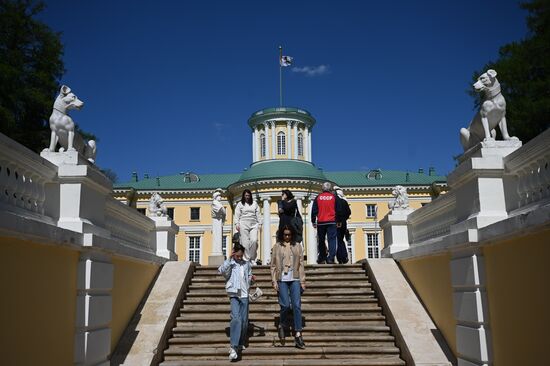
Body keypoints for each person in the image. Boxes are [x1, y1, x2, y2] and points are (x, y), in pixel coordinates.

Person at [218, 243, 255, 361]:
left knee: (244, 322)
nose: (239, 258)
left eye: (240, 256)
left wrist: (252, 280)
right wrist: (229, 258)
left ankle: (240, 342)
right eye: (237, 256)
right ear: (234, 253)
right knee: (236, 319)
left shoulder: (246, 264)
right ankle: (233, 347)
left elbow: (248, 277)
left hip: (244, 295)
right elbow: (222, 271)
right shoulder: (231, 263)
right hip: (234, 294)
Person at [270, 225, 306, 349]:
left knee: (296, 305)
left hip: (295, 278)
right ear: (281, 235)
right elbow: (273, 265)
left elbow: (301, 264)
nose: (287, 237)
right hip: (282, 279)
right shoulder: (277, 247)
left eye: (289, 234)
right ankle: (282, 324)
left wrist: (302, 280)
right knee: (285, 305)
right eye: (285, 234)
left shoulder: (297, 246)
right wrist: (274, 281)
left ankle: (298, 333)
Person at [311, 182, 340, 264]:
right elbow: (338, 210)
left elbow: (314, 210)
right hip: (332, 221)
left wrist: (313, 220)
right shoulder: (334, 197)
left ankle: (322, 257)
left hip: (321, 222)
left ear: (322, 189)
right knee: (332, 240)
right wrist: (338, 220)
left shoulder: (318, 197)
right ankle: (331, 258)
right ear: (330, 189)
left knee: (321, 240)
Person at [234, 189, 261, 263]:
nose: (247, 197)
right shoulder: (240, 204)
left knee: (254, 240)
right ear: (243, 196)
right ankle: (247, 259)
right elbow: (237, 214)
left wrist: (260, 224)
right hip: (243, 223)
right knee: (245, 243)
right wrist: (237, 224)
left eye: (248, 195)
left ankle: (253, 258)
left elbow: (258, 214)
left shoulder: (254, 203)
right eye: (246, 195)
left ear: (250, 196)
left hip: (254, 224)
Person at [334, 186, 351, 264]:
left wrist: (339, 221)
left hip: (336, 222)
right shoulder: (344, 202)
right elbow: (349, 212)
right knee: (340, 240)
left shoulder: (334, 201)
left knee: (337, 240)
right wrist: (344, 219)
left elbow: (338, 212)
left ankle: (341, 257)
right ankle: (343, 257)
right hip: (343, 223)